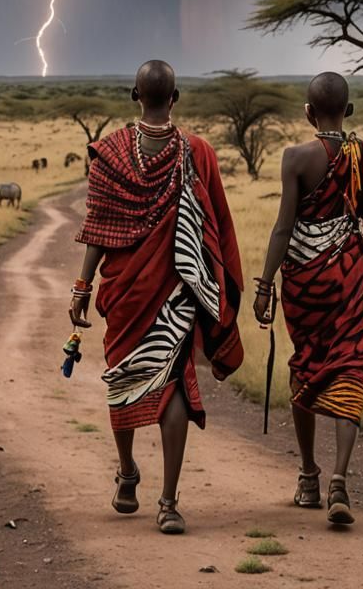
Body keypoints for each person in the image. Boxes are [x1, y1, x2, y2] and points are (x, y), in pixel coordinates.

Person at [69, 59, 243, 535]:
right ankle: (168, 503)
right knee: (175, 384)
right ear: (176, 97)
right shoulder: (198, 152)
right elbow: (218, 224)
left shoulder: (108, 153)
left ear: (134, 95)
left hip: (125, 291)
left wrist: (82, 286)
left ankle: (128, 474)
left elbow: (97, 229)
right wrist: (222, 285)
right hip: (178, 290)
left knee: (123, 375)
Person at [253, 72, 363, 526]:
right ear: (347, 111)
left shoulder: (295, 157)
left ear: (309, 113)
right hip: (351, 278)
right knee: (350, 364)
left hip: (303, 282)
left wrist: (264, 285)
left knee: (306, 364)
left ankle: (309, 476)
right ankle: (339, 479)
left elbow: (282, 228)